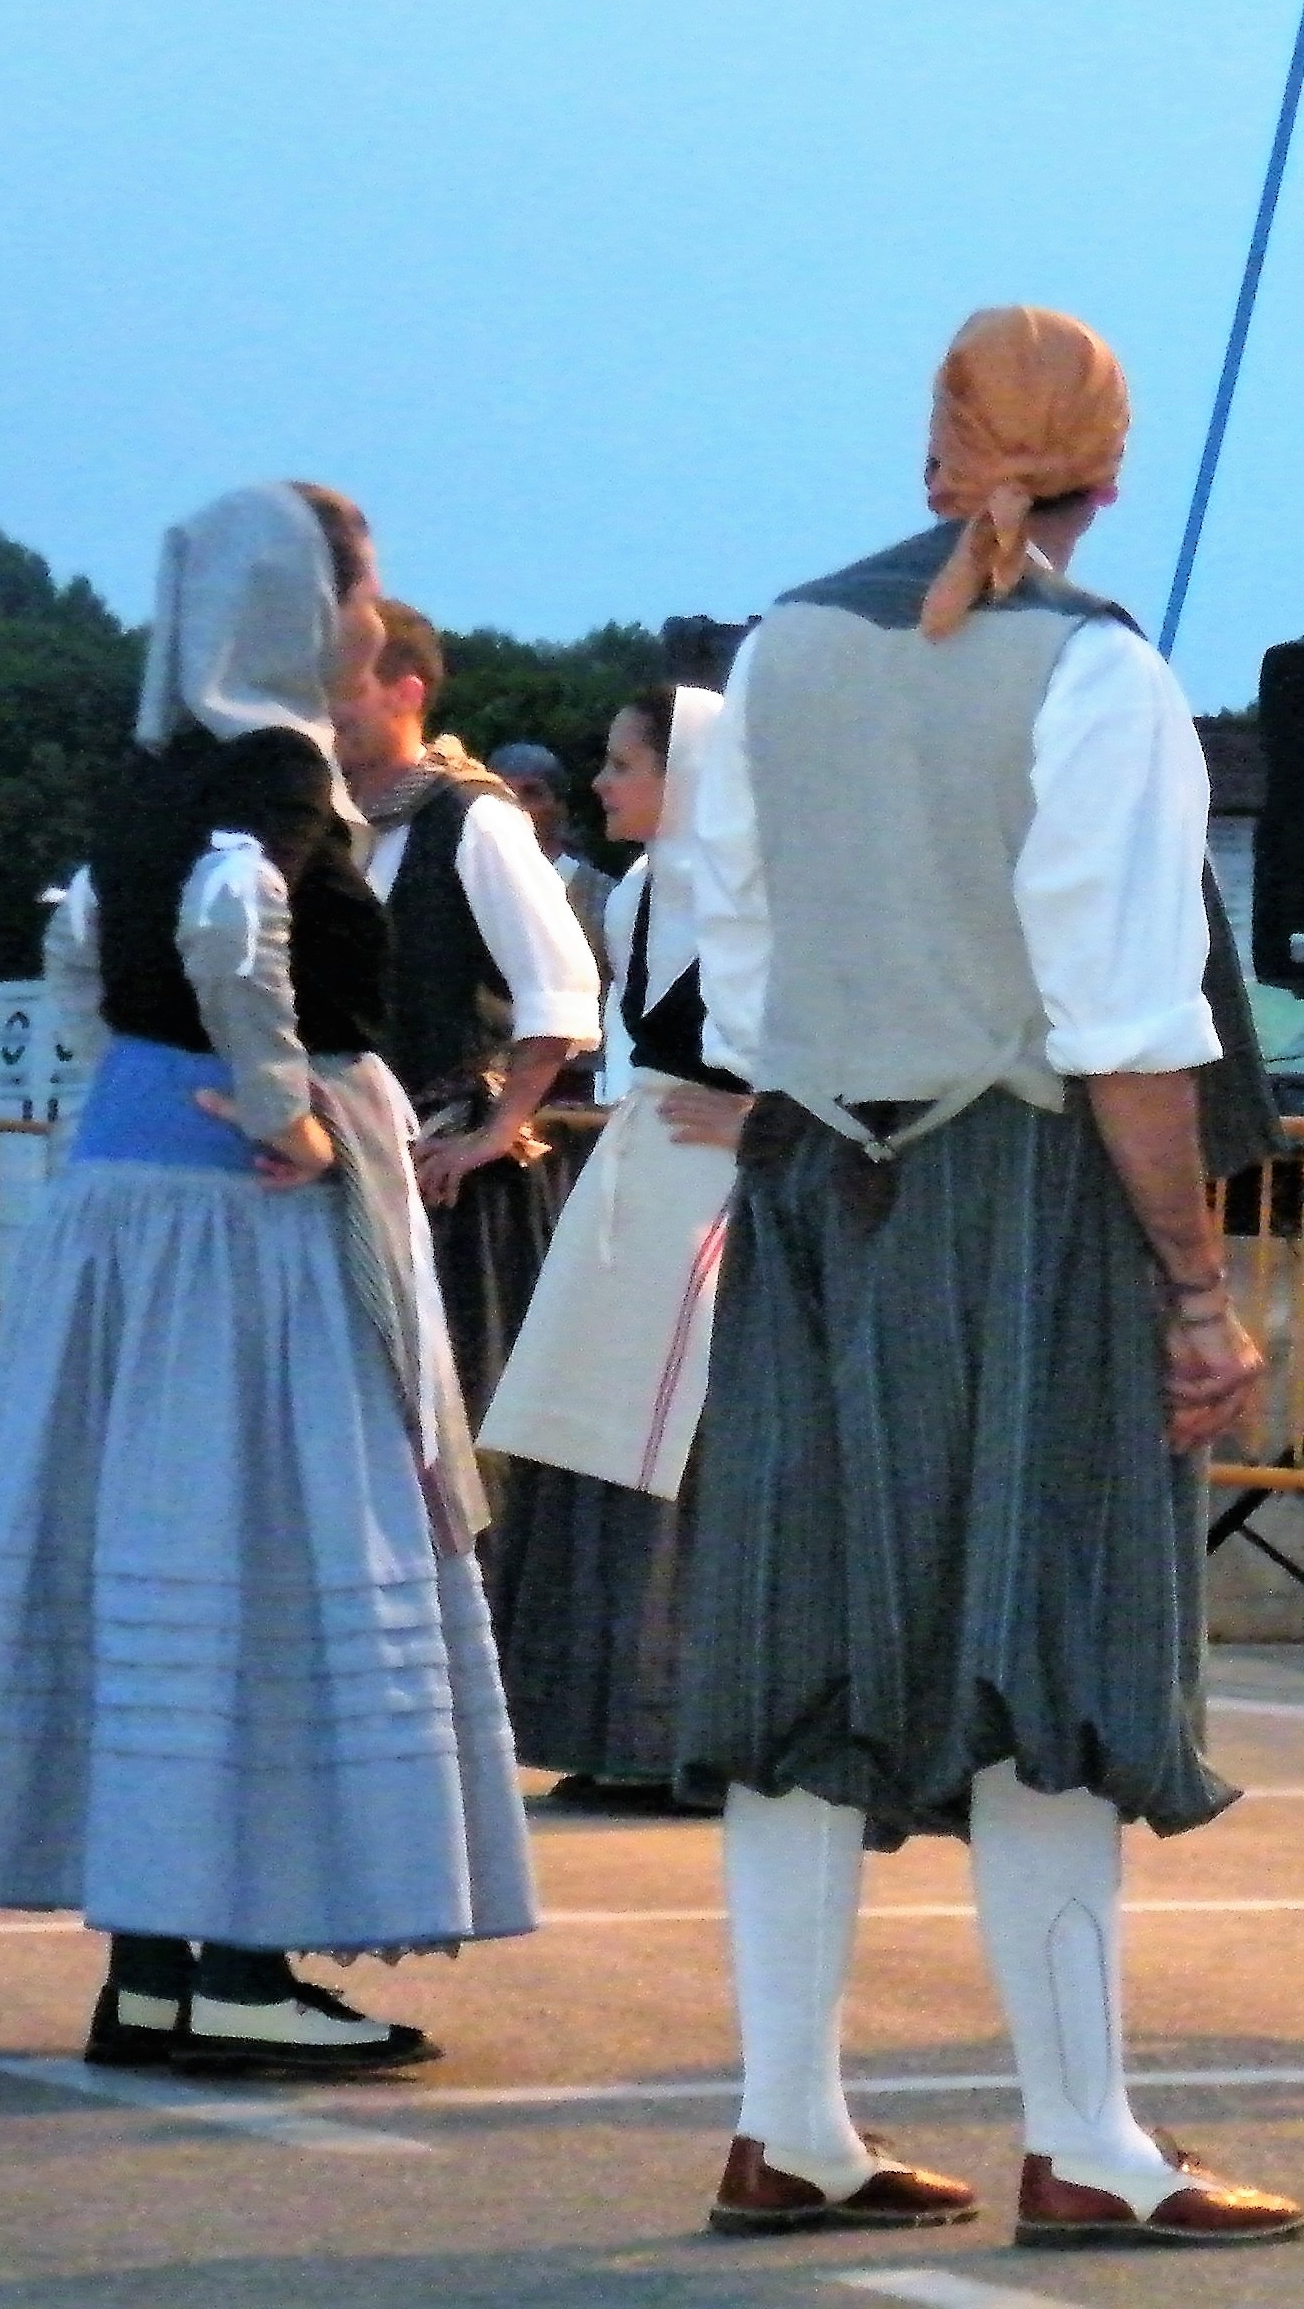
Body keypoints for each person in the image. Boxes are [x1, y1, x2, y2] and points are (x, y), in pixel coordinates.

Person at [676, 305, 1303, 2246]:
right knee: (1056, 1654)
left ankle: (789, 2125)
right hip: (1023, 1191)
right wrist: (1194, 1288)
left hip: (810, 1182)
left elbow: (728, 975)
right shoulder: (1096, 673)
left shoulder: (776, 649)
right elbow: (1129, 1029)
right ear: (1108, 469)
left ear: (937, 447)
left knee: (801, 1655)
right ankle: (1086, 2141)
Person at [0, 479, 534, 2073]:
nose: (372, 613)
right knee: (272, 1550)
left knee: (159, 1553)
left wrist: (131, 1075)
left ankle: (155, 1970)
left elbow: (82, 941)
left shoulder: (158, 766)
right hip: (241, 1221)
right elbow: (231, 918)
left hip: (131, 1196)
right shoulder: (277, 764)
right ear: (297, 604)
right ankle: (240, 1967)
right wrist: (282, 1109)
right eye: (357, 584)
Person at [478, 688, 745, 1811]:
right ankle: (605, 1724)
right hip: (643, 1183)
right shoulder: (637, 895)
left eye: (624, 763)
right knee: (589, 1447)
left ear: (689, 778)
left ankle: (693, 1732)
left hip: (731, 1198)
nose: (601, 783)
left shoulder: (765, 895)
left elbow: (846, 1047)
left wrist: (770, 1120)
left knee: (688, 1455)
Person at [327, 601, 603, 1415]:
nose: (326, 708)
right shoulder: (326, 822)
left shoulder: (474, 817)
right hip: (343, 1163)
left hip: (441, 1179)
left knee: (445, 1415)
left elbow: (561, 989)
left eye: (343, 687)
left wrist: (495, 1130)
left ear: (406, 691)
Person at [494, 737, 621, 991]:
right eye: (502, 795)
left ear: (561, 806)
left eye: (531, 793)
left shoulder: (609, 899)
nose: (516, 806)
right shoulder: (467, 891)